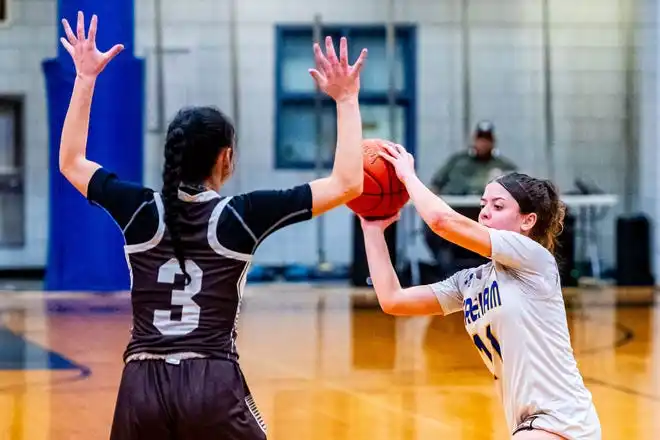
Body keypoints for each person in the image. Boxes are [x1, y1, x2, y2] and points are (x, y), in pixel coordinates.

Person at [57, 11, 367, 440]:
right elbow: (348, 183)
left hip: (142, 383)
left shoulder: (139, 209)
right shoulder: (241, 215)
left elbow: (71, 162)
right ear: (226, 158)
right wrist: (347, 100)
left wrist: (84, 79)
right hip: (211, 380)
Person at [359, 142, 601, 440]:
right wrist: (371, 229)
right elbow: (393, 300)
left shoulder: (535, 260)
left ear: (528, 221)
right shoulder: (471, 281)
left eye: (498, 206)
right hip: (530, 424)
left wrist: (408, 177)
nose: (484, 213)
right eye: (484, 204)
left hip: (561, 419)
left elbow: (442, 222)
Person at [430, 120, 517, 196]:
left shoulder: (503, 166)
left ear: (493, 141)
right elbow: (436, 184)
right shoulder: (457, 162)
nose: (483, 143)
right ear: (474, 139)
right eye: (480, 139)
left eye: (487, 139)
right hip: (456, 209)